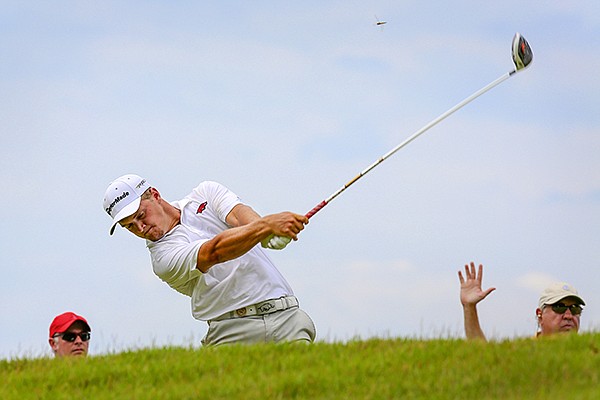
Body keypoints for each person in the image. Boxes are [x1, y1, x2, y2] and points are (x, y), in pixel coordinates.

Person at [103, 174, 316, 346]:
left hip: (286, 317)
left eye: (141, 215)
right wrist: (265, 227)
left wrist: (266, 233)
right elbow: (213, 252)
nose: (140, 228)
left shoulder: (205, 193)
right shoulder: (162, 258)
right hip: (231, 333)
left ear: (155, 195)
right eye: (129, 226)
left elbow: (239, 215)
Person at [458, 262, 585, 340]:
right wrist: (469, 307)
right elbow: (484, 358)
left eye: (575, 308)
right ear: (540, 315)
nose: (568, 316)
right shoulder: (524, 350)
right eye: (559, 307)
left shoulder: (590, 352)